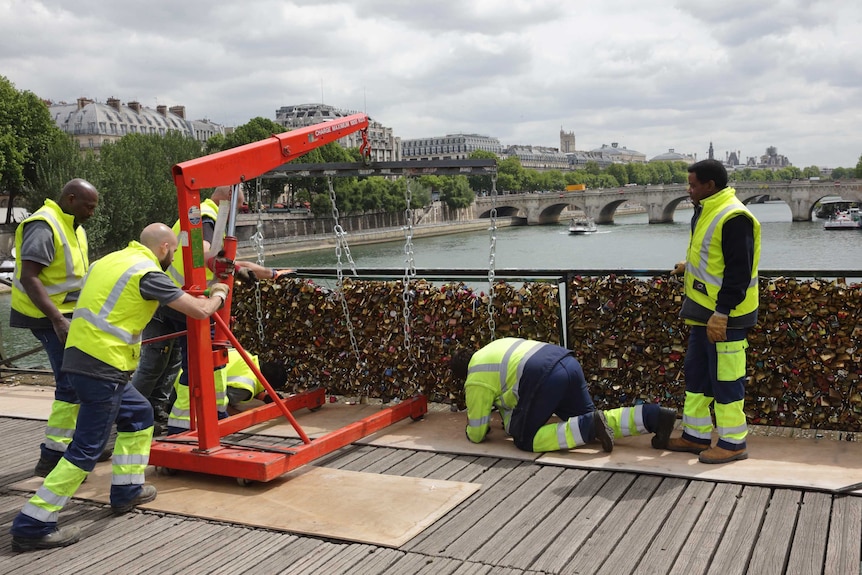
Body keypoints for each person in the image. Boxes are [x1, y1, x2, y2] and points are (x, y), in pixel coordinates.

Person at [9, 223, 230, 551]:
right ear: (166, 249)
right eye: (172, 252)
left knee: (140, 415)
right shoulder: (148, 273)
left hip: (82, 358)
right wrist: (219, 291)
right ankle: (33, 522)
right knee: (86, 449)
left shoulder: (108, 261)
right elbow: (199, 311)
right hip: (103, 367)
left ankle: (127, 489)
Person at [132, 185, 291, 429]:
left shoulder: (198, 215)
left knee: (165, 364)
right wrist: (234, 274)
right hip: (187, 301)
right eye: (239, 208)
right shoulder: (206, 216)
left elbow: (228, 262)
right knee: (198, 363)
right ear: (227, 198)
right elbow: (209, 256)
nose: (239, 213)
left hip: (172, 300)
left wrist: (272, 273)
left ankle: (153, 413)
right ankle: (162, 417)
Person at [9, 178, 113, 476]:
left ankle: (82, 445)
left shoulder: (71, 225)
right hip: (48, 317)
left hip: (66, 315)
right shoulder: (45, 225)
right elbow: (30, 277)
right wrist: (57, 318)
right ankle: (53, 458)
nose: (92, 213)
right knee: (70, 383)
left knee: (79, 380)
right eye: (88, 206)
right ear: (70, 199)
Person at [666, 159, 761, 464]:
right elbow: (711, 256)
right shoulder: (706, 209)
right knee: (697, 377)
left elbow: (738, 271)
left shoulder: (734, 216)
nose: (688, 189)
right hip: (702, 312)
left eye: (693, 184)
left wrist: (722, 312)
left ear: (710, 185)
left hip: (726, 316)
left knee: (726, 379)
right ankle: (696, 436)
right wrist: (688, 266)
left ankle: (734, 443)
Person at [450, 338, 677, 453]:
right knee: (596, 419)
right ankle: (654, 416)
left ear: (463, 375)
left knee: (525, 440)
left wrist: (472, 430)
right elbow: (513, 399)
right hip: (565, 362)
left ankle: (588, 427)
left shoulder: (476, 376)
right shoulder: (493, 349)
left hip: (542, 375)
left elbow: (478, 431)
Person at [166, 348, 288, 433]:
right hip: (183, 398)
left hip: (180, 379)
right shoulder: (245, 387)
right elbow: (219, 402)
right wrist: (238, 416)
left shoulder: (246, 356)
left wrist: (263, 396)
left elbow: (234, 379)